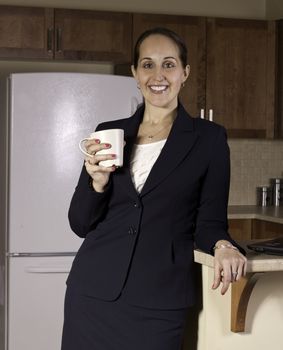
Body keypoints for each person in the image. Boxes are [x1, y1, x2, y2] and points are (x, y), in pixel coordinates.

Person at [61, 27, 247, 350]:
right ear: (135, 73)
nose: (157, 75)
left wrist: (222, 245)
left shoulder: (210, 140)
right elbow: (79, 223)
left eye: (169, 64)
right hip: (92, 294)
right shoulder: (109, 133)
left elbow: (210, 222)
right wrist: (97, 183)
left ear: (184, 73)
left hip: (158, 303)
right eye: (147, 65)